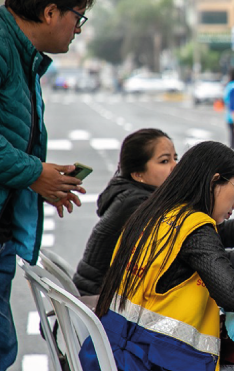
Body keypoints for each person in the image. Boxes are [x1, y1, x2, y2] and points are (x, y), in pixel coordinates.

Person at [79, 141, 234, 371]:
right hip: (153, 361)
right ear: (214, 181)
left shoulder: (156, 214)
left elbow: (212, 279)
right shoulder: (194, 226)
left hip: (116, 353)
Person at [72, 129, 234, 297]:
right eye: (164, 161)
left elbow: (207, 239)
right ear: (138, 173)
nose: (175, 166)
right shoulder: (140, 205)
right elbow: (202, 252)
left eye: (175, 158)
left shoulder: (139, 198)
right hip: (100, 307)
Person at [0, 1, 93, 369]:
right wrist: (36, 173)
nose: (79, 29)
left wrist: (44, 179)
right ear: (51, 12)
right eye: (78, 17)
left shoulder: (24, 55)